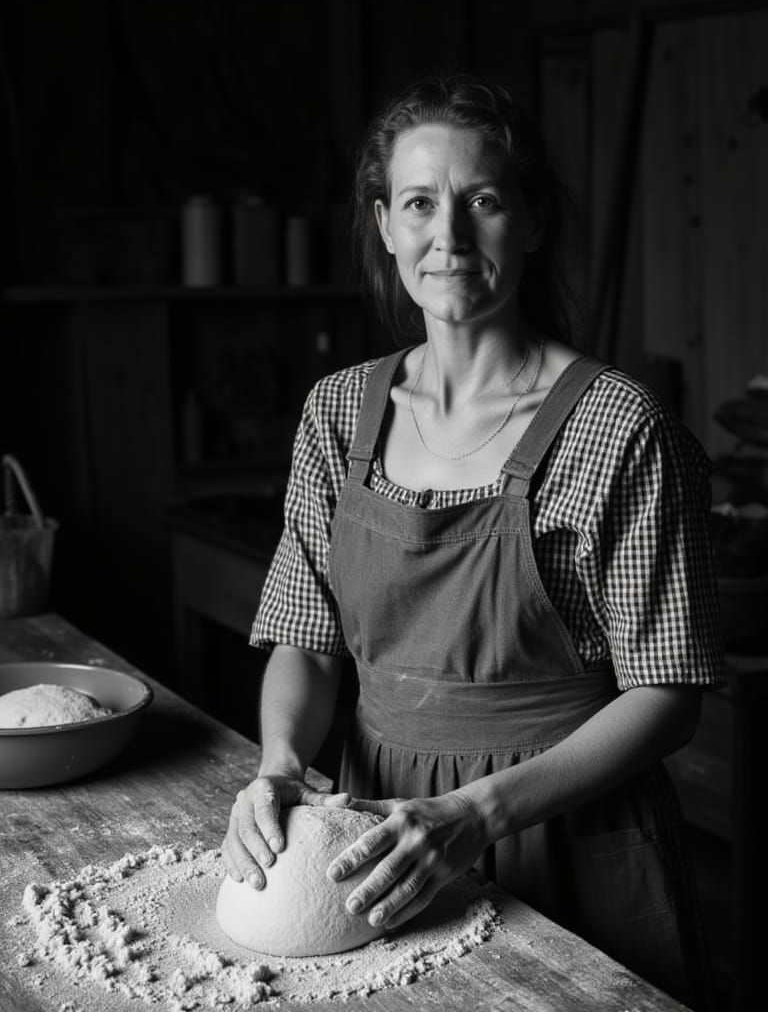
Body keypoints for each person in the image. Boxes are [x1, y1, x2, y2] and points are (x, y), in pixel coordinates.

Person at [222, 72, 724, 1009]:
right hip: (374, 841)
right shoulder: (338, 413)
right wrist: (280, 767)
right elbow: (307, 634)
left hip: (569, 835)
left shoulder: (620, 425)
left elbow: (671, 694)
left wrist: (472, 814)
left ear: (531, 222)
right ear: (384, 226)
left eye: (482, 200)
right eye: (418, 203)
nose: (447, 237)